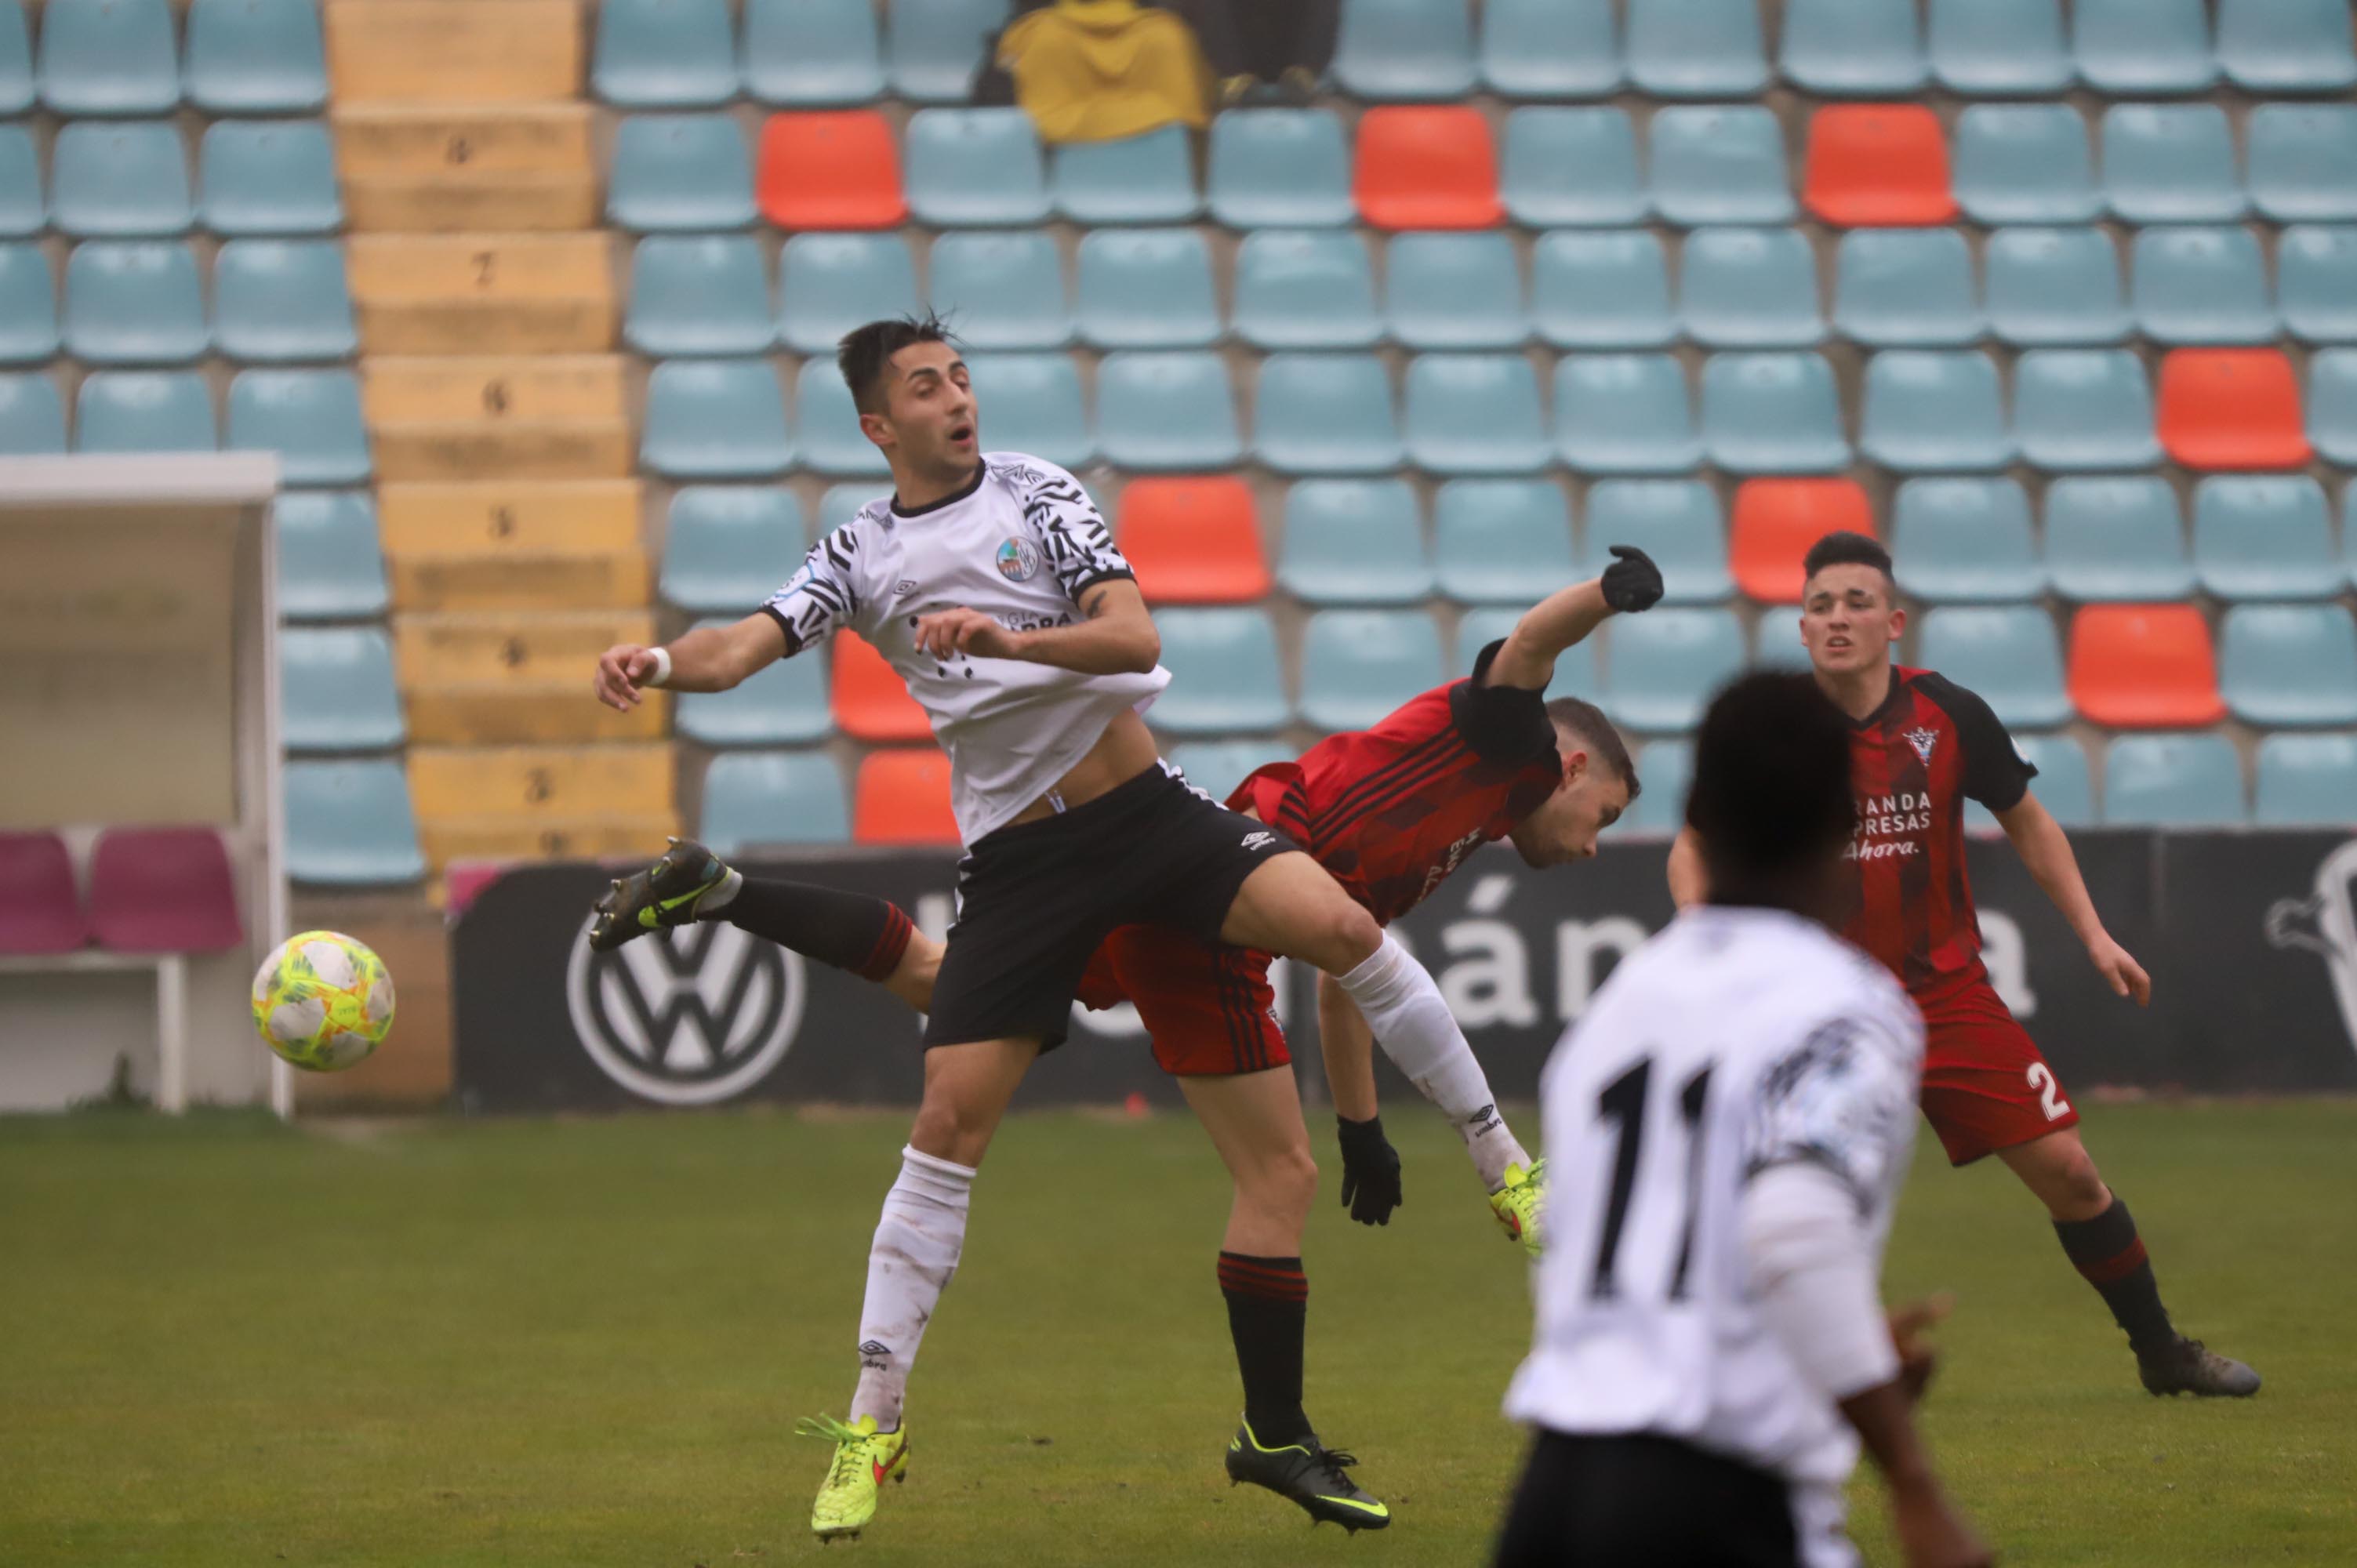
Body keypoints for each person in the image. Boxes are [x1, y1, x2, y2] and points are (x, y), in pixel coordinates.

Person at [590, 314, 1516, 1541]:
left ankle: (1507, 1167)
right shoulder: (858, 554)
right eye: (925, 387)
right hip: (1025, 862)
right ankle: (874, 1418)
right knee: (947, 1123)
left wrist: (1004, 637)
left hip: (1145, 812)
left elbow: (1134, 636)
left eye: (961, 376)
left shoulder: (1038, 491)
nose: (955, 399)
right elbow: (741, 645)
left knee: (1341, 926)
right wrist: (658, 660)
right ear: (880, 426)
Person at [596, 550, 1665, 1254]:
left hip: (1225, 899)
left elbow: (1357, 970)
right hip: (1220, 869)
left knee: (940, 981)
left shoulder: (1470, 824)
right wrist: (1609, 595)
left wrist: (1363, 1127)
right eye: (1607, 815)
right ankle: (1501, 1178)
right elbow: (1529, 645)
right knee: (1268, 1169)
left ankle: (722, 890)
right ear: (1572, 769)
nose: (1592, 846)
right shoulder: (1506, 741)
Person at [1668, 532, 2259, 1400]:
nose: (1838, 618)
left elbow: (2026, 817)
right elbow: (1693, 843)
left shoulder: (1948, 714)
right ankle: (1714, 1377)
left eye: (1856, 601)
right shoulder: (1777, 730)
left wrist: (2094, 933)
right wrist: (1706, 944)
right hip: (1812, 1008)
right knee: (1765, 1200)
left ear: (1894, 621)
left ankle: (2162, 1349)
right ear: (1801, 627)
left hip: (1942, 995)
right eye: (1821, 605)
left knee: (2072, 1172)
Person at [1498, 670, 1991, 1568]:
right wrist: (1914, 1481)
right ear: (1849, 825)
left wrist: (1815, 1341)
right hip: (1714, 1494)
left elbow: (1621, 1244)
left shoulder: (1618, 1008)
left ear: (1698, 819)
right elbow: (1794, 1228)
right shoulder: (1845, 1005)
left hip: (1550, 1491)